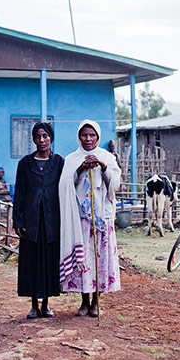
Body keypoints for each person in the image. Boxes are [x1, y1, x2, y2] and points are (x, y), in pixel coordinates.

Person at [59, 120, 121, 317]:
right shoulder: (71, 159)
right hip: (81, 217)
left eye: (92, 135)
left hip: (102, 215)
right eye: (84, 135)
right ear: (79, 136)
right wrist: (80, 168)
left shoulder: (107, 157)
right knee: (84, 258)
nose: (88, 139)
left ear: (98, 137)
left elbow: (116, 183)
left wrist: (103, 167)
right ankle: (84, 301)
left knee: (99, 258)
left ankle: (96, 301)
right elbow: (64, 185)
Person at [13, 121, 64, 319]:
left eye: (45, 136)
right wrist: (18, 222)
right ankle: (34, 304)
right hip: (31, 222)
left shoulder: (59, 162)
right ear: (33, 139)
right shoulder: (25, 163)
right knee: (31, 263)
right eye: (38, 136)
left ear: (51, 138)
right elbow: (19, 194)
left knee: (49, 262)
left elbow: (66, 190)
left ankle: (47, 304)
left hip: (52, 222)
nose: (42, 140)